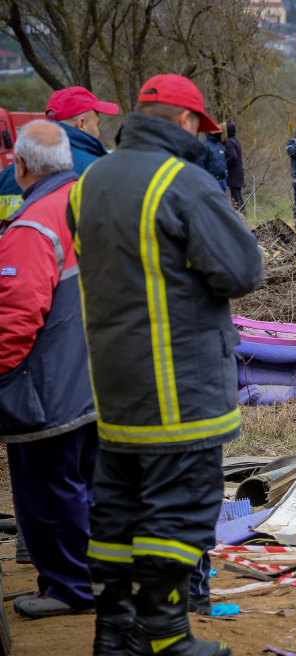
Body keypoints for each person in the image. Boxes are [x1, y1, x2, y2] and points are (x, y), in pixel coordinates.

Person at [68, 73, 264, 656]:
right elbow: (241, 271)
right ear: (185, 122)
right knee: (178, 509)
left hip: (113, 381)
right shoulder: (184, 183)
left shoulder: (89, 181)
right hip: (180, 382)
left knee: (120, 507)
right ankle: (166, 636)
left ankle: (115, 632)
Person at [0, 121, 98, 619]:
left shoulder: (32, 226)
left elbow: (14, 320)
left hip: (49, 389)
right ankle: (96, 578)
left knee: (46, 494)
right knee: (86, 484)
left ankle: (67, 589)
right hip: (101, 378)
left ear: (19, 167)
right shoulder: (93, 203)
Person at [0, 86, 120, 220]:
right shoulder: (99, 170)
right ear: (82, 124)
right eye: (96, 124)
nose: (97, 132)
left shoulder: (7, 175)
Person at [224, 123, 245, 213]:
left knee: (235, 198)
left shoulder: (229, 142)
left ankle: (241, 219)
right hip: (239, 174)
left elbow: (233, 156)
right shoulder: (235, 141)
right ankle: (243, 217)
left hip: (234, 175)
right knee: (238, 196)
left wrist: (224, 164)